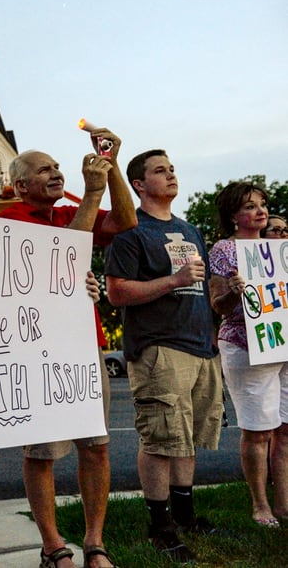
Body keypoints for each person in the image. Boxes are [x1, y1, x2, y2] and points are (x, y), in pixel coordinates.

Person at [0, 130, 136, 568]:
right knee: (42, 452)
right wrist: (93, 191)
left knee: (95, 445)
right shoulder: (10, 216)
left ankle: (94, 542)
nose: (57, 173)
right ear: (20, 185)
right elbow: (64, 255)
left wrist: (110, 165)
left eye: (58, 166)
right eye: (44, 169)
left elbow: (126, 221)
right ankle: (53, 545)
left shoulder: (67, 214)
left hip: (83, 342)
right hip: (36, 346)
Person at [105, 149, 223, 562]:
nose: (171, 175)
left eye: (172, 168)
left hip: (199, 347)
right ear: (138, 184)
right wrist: (172, 279)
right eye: (160, 171)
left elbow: (203, 292)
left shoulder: (190, 230)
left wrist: (226, 291)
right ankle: (159, 525)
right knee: (160, 439)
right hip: (159, 347)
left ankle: (185, 515)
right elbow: (116, 291)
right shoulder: (131, 232)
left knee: (187, 437)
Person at [208, 181, 288, 527]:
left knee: (285, 429)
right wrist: (235, 294)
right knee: (258, 431)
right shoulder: (225, 251)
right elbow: (218, 305)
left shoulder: (279, 249)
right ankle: (260, 505)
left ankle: (284, 504)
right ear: (233, 216)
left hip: (282, 342)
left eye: (262, 204)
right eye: (251, 206)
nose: (260, 211)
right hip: (245, 344)